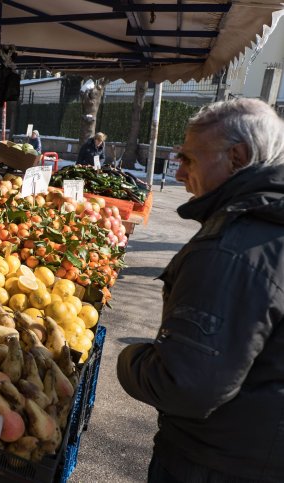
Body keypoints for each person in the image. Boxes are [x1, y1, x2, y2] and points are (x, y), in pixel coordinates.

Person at [116, 98, 284, 482]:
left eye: (188, 159)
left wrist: (131, 360)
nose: (178, 174)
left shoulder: (232, 249)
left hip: (217, 464)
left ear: (237, 158)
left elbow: (187, 385)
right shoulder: (270, 223)